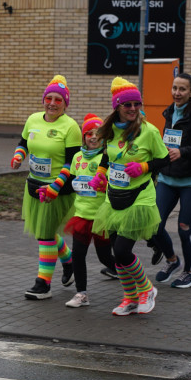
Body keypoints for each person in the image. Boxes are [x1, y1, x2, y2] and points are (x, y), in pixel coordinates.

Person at [89, 77, 170, 315]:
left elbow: (164, 159)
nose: (133, 109)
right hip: (114, 197)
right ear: (117, 107)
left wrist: (144, 167)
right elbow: (107, 157)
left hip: (139, 198)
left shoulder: (149, 131)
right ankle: (130, 297)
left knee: (123, 251)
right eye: (127, 105)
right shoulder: (111, 130)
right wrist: (100, 175)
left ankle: (146, 290)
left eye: (137, 104)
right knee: (117, 253)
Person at [11, 75, 80, 300]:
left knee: (45, 235)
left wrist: (57, 185)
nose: (52, 103)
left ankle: (43, 284)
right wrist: (18, 156)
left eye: (58, 100)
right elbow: (23, 143)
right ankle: (68, 261)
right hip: (34, 185)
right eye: (48, 98)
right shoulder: (33, 120)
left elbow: (72, 162)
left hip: (57, 189)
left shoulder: (70, 127)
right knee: (46, 232)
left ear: (65, 104)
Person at [150, 73, 191, 289]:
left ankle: (189, 272)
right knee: (153, 224)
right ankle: (171, 260)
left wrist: (182, 152)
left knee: (184, 229)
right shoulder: (170, 112)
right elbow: (167, 142)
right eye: (175, 88)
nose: (177, 93)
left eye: (182, 89)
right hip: (168, 178)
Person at [62, 113, 118, 308]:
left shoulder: (107, 156)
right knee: (78, 255)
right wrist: (52, 191)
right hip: (81, 216)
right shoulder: (78, 157)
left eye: (97, 133)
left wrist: (105, 184)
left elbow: (112, 183)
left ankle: (122, 271)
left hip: (101, 216)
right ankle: (81, 294)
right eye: (88, 133)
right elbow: (71, 183)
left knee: (105, 256)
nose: (93, 137)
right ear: (83, 137)